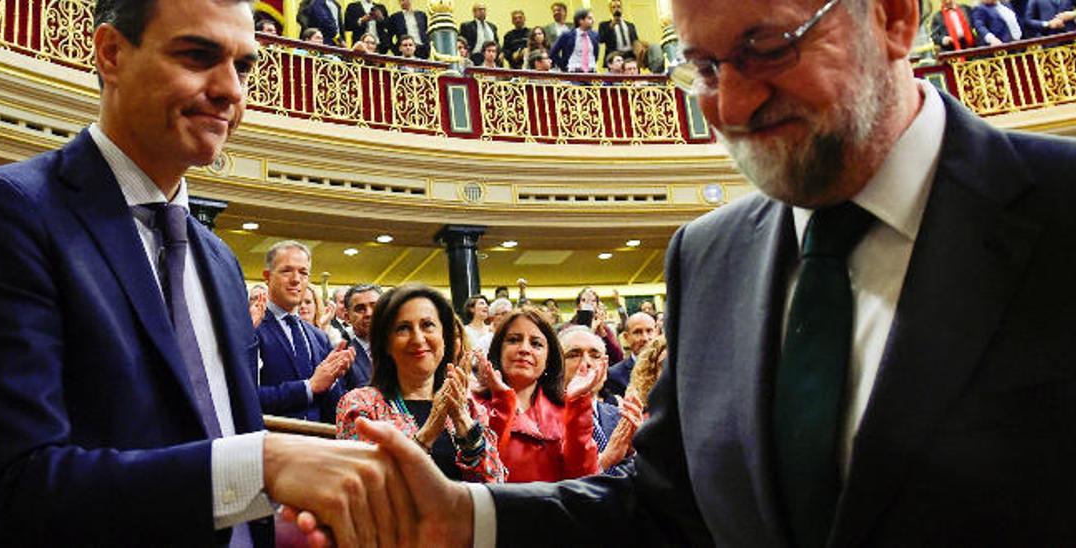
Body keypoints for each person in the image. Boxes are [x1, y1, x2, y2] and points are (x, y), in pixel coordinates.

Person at [292, 0, 1076, 545]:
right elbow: (667, 507)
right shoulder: (710, 257)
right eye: (701, 68)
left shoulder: (1057, 212)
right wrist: (469, 519)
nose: (732, 104)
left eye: (767, 48)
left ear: (894, 16)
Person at [0, 0, 412, 544]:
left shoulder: (219, 262)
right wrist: (260, 466)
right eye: (198, 55)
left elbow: (221, 477)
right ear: (111, 53)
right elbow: (6, 493)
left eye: (243, 67)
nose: (230, 91)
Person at [336, 284, 506, 483]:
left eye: (427, 325)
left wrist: (462, 421)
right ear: (386, 344)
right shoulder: (360, 405)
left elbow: (495, 485)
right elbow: (369, 487)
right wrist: (427, 434)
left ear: (444, 337)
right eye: (403, 328)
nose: (418, 339)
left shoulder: (469, 406)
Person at [474, 308, 602, 484]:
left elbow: (583, 478)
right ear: (498, 350)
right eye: (514, 340)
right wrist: (504, 402)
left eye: (536, 344)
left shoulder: (567, 410)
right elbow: (482, 474)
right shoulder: (473, 404)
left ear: (549, 358)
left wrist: (578, 403)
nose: (524, 349)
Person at [256, 241, 353, 423]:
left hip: (317, 441)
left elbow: (331, 408)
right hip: (271, 442)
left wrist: (332, 382)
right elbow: (245, 397)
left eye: (303, 272)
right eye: (287, 271)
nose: (296, 279)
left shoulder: (318, 337)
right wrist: (308, 387)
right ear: (267, 276)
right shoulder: (251, 328)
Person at [558, 326, 643, 472]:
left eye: (595, 356)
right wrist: (605, 461)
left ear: (606, 364)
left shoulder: (619, 416)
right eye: (573, 354)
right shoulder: (543, 419)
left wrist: (635, 451)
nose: (586, 363)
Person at [564, 287, 625, 364]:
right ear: (578, 306)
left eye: (593, 301)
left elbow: (618, 358)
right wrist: (591, 330)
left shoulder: (604, 328)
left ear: (597, 305)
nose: (589, 304)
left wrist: (602, 332)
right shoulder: (569, 328)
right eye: (584, 300)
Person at [342, 284, 381, 392]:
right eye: (360, 309)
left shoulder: (403, 350)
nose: (369, 313)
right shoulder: (343, 360)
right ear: (347, 317)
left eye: (375, 306)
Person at [551, 8, 600, 73]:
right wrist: (563, 67)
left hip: (591, 73)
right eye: (589, 18)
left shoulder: (595, 35)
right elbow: (553, 52)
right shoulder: (567, 35)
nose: (593, 20)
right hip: (573, 73)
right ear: (580, 20)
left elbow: (595, 54)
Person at [598, 0, 639, 68]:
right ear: (610, 10)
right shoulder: (604, 25)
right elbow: (601, 40)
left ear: (622, 8)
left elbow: (636, 41)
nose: (617, 9)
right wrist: (611, 26)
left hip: (630, 58)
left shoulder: (630, 25)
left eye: (618, 6)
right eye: (614, 7)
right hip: (614, 58)